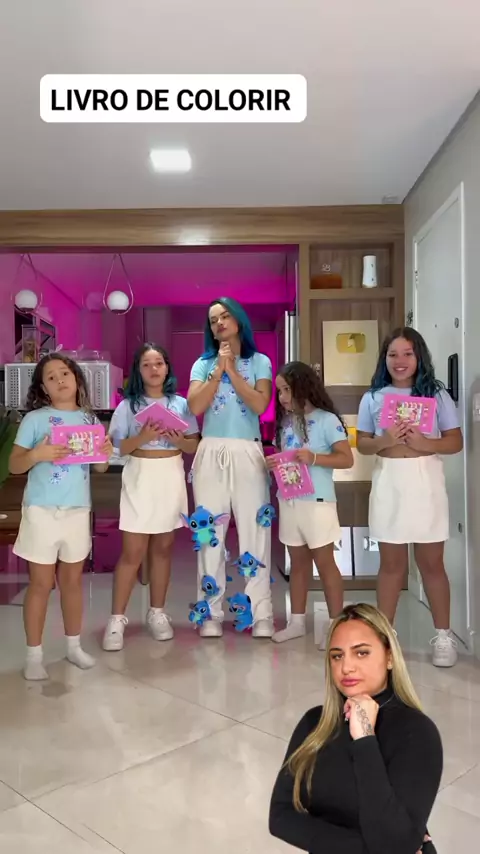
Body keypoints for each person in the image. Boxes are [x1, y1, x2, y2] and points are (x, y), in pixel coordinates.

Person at [269, 603, 441, 854]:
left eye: (361, 653)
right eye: (337, 656)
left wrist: (365, 739)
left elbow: (395, 841)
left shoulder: (417, 732)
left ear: (390, 657)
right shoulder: (314, 723)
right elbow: (280, 817)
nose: (346, 667)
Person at [356, 328, 463, 668]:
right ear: (384, 359)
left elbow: (455, 441)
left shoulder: (436, 395)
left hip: (425, 480)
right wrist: (385, 439)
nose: (400, 361)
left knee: (431, 563)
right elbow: (363, 444)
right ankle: (385, 637)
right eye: (393, 354)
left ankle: (443, 636)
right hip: (389, 481)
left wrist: (425, 443)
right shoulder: (372, 397)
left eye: (407, 354)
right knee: (391, 566)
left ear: (419, 358)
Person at [9, 353, 113, 681]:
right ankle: (34, 655)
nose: (60, 380)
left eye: (64, 373)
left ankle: (73, 646)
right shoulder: (35, 420)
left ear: (76, 378)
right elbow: (14, 464)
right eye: (51, 377)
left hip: (77, 510)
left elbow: (99, 467)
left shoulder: (89, 420)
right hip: (41, 510)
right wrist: (37, 454)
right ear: (43, 388)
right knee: (40, 584)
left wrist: (105, 454)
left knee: (72, 582)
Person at [102, 344, 200, 651]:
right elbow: (117, 448)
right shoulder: (127, 406)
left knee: (163, 548)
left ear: (167, 368)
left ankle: (157, 612)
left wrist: (179, 440)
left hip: (170, 474)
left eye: (159, 363)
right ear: (138, 371)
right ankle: (117, 619)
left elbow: (193, 445)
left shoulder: (181, 404)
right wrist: (143, 437)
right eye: (147, 364)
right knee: (132, 551)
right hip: (139, 476)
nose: (154, 369)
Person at [187, 297, 273, 638]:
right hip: (211, 450)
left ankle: (260, 612)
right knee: (208, 532)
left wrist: (233, 371)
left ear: (238, 320)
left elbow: (260, 404)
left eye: (224, 316)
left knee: (255, 531)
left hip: (248, 450)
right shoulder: (201, 364)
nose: (219, 323)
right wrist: (217, 371)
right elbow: (195, 406)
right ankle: (209, 612)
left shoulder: (260, 362)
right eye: (213, 320)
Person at [266, 362, 353, 645]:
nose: (282, 397)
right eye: (279, 391)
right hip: (289, 501)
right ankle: (297, 622)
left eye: (286, 390)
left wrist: (314, 458)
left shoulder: (327, 420)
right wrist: (273, 463)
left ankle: (337, 626)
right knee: (298, 564)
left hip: (318, 503)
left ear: (303, 387)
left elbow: (346, 459)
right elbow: (286, 459)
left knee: (325, 564)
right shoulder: (285, 424)